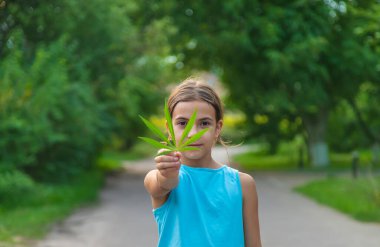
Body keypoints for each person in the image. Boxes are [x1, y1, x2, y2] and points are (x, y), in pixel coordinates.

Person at [144, 77, 262, 247]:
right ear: (169, 129)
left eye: (204, 123)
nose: (192, 132)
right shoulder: (158, 177)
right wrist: (167, 173)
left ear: (218, 128)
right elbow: (164, 183)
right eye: (183, 123)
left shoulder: (243, 184)